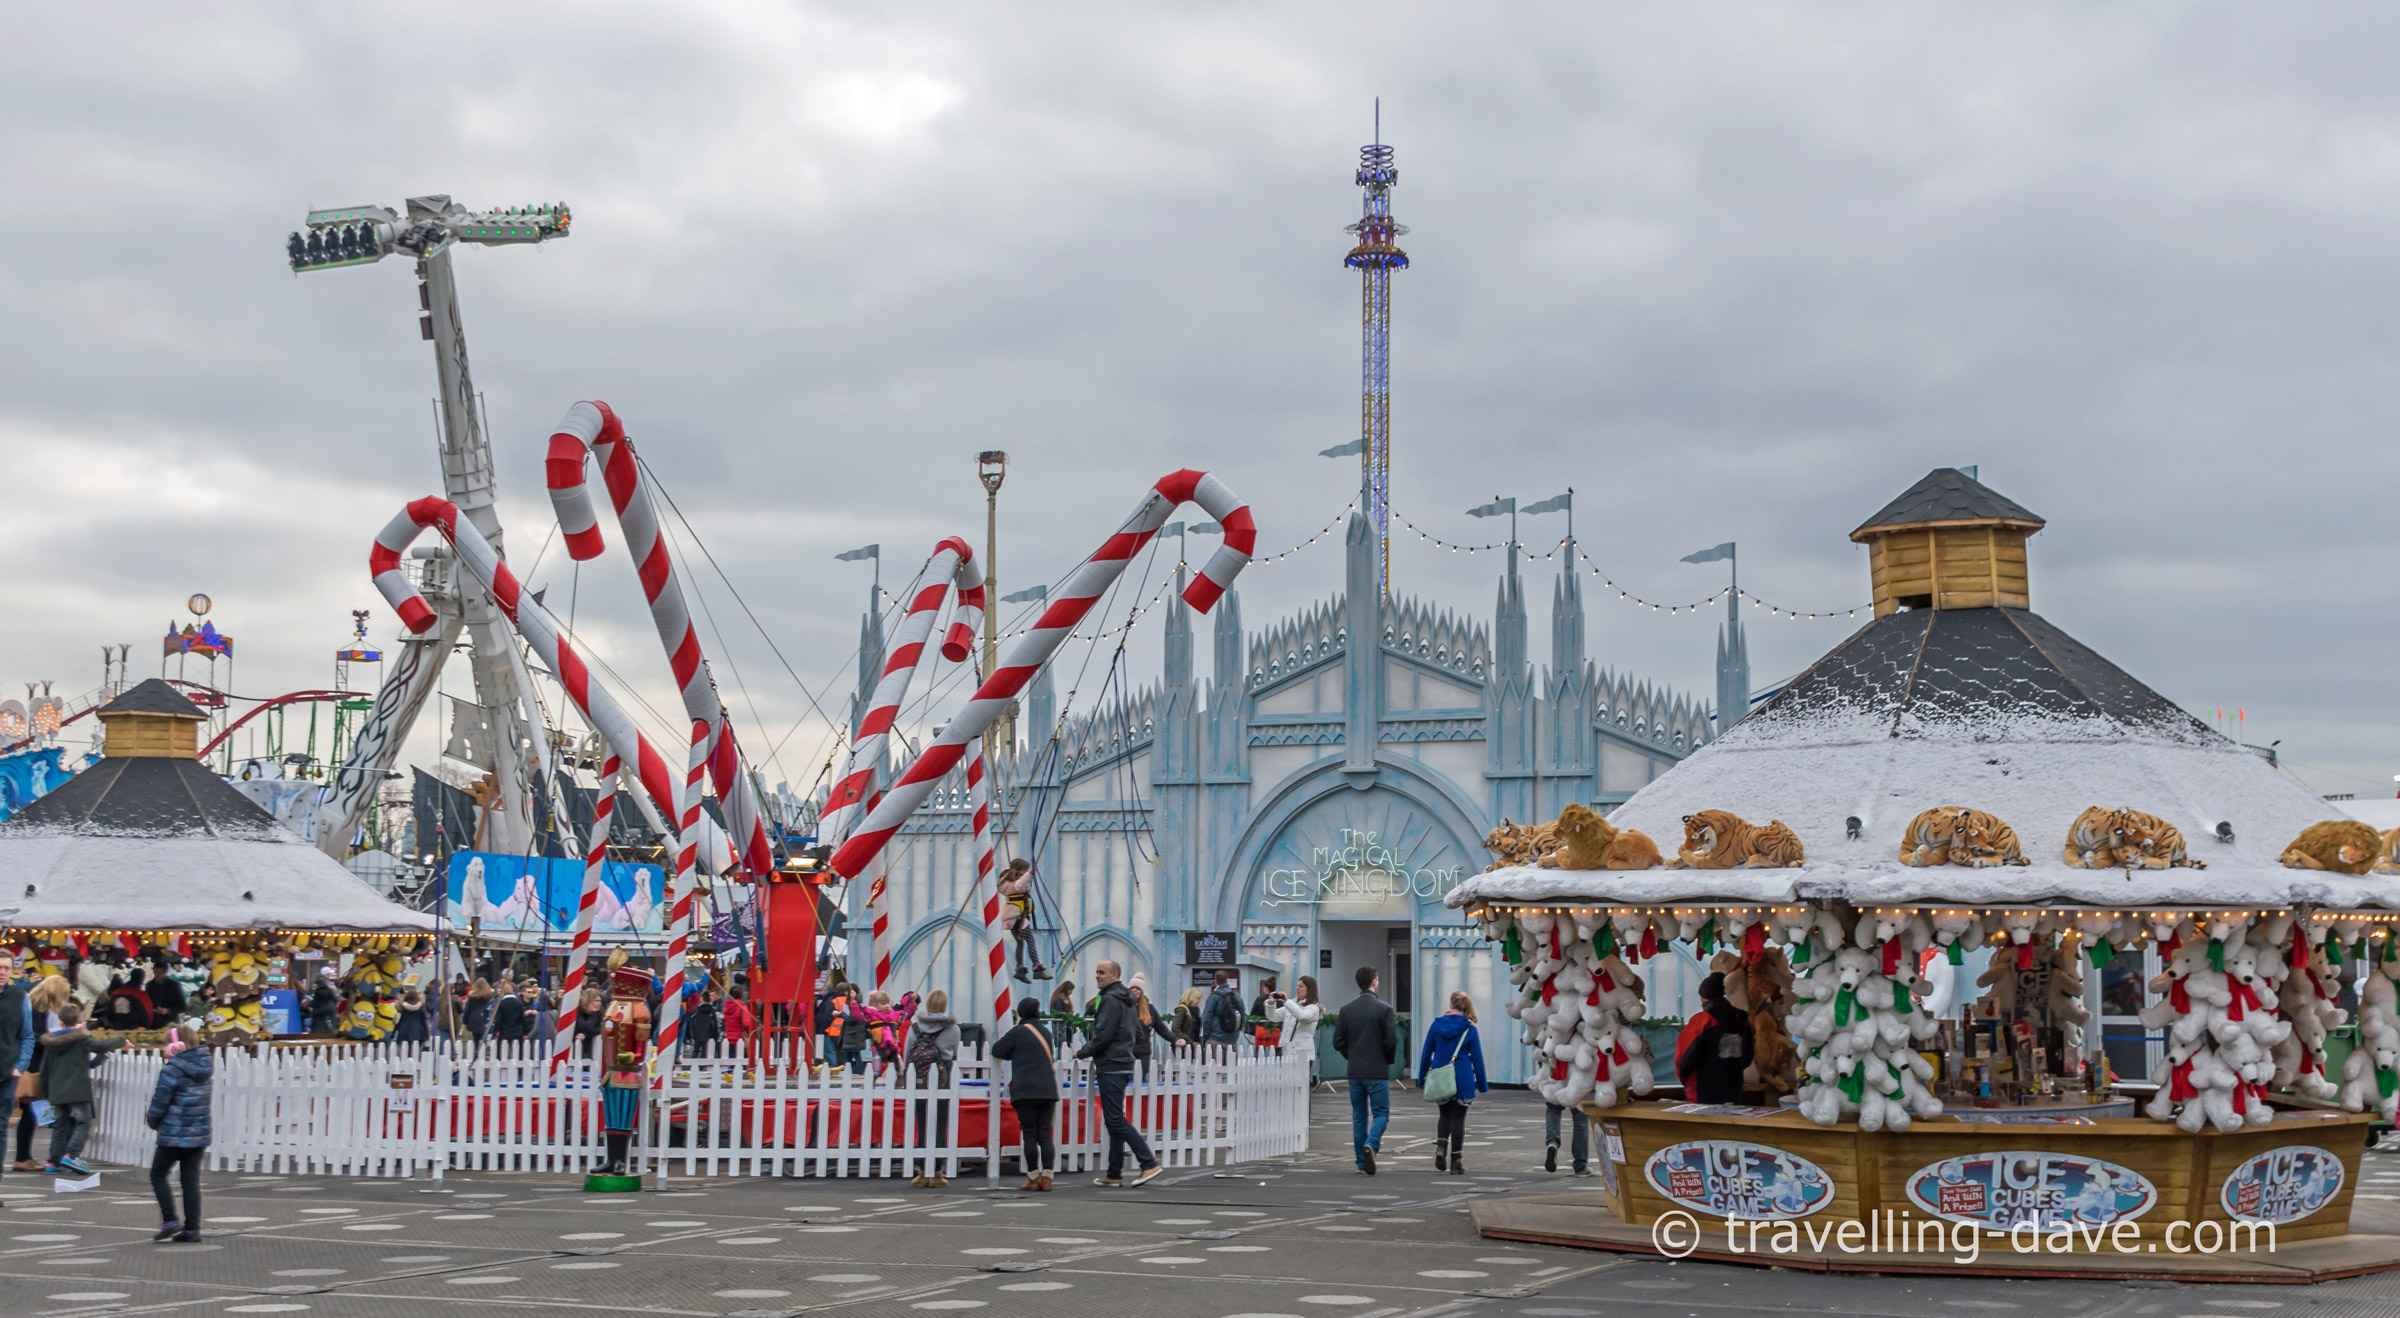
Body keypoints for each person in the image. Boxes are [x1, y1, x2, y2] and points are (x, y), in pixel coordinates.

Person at [1075, 960, 1162, 1187]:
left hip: (1111, 1064)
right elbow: (1136, 1033)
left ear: (1115, 974)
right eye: (1096, 971)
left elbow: (1102, 1034)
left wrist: (1082, 1052)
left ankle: (1148, 1162)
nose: (1097, 976)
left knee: (1115, 1119)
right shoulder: (1127, 1000)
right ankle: (1114, 1173)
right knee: (1113, 1120)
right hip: (1123, 1062)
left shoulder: (1110, 1000)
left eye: (1101, 972)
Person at [39, 1002, 125, 1176]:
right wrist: (122, 1040)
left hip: (57, 1090)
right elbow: (101, 1045)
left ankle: (53, 1161)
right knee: (84, 1122)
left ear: (60, 1021)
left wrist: (46, 1091)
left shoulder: (51, 1043)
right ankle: (71, 1154)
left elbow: (44, 1070)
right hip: (77, 1089)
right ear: (79, 1019)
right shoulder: (81, 1039)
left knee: (60, 1126)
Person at [145, 1023, 212, 1242]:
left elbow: (160, 1100)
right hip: (198, 1133)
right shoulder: (205, 1067)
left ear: (177, 1047)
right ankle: (192, 1229)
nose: (164, 1049)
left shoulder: (173, 1069)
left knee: (158, 1174)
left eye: (166, 1044)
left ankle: (170, 1220)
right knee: (190, 1181)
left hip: (173, 1133)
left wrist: (153, 1121)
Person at [1332, 965, 1398, 1175]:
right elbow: (1391, 1041)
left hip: (1355, 1070)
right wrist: (1386, 1060)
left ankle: (1361, 1161)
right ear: (1374, 981)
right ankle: (1371, 1144)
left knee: (1359, 1116)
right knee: (1381, 1114)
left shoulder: (1347, 1009)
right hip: (1377, 1070)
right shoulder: (1384, 1009)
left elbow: (1338, 1041)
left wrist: (1351, 1056)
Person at [1418, 991, 1489, 1175]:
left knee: (1444, 1115)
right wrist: (1482, 1084)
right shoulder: (1470, 1029)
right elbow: (1478, 1059)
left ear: (1451, 1005)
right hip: (1463, 1079)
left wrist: (1421, 1078)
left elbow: (1426, 1053)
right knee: (1458, 1118)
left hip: (1441, 1077)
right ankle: (1456, 1163)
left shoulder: (1436, 1025)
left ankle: (1441, 1146)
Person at [990, 997, 1057, 1191]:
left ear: (1021, 1013)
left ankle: (1033, 1178)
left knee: (1029, 1135)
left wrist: (1015, 1053)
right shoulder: (1046, 1032)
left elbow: (997, 1050)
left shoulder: (1017, 1032)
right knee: (1044, 1134)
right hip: (1047, 1089)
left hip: (1026, 1090)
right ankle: (1047, 1178)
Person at [905, 989, 961, 1188]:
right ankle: (937, 1171)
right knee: (939, 1123)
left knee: (922, 1123)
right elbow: (953, 1054)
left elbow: (907, 1054)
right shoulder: (953, 1029)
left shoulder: (915, 1027)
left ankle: (921, 1171)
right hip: (942, 1074)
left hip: (919, 1076)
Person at [16, 974, 71, 1171]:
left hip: (36, 1063)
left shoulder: (36, 1007)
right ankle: (22, 1157)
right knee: (31, 1112)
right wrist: (55, 1040)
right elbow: (34, 1037)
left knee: (31, 1114)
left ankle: (25, 1156)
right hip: (33, 1066)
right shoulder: (34, 1009)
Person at [1677, 972, 1755, 1104]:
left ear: (1703, 997)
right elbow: (1747, 1057)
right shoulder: (1743, 1020)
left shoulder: (1702, 1021)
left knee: (1705, 1124)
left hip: (1702, 1090)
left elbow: (1684, 1059)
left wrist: (1685, 1079)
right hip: (1733, 1089)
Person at [0, 952, 28, 1182]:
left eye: (7, 968)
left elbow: (27, 1036)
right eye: (0, 967)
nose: (3, 972)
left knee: (0, 1129)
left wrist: (20, 1065)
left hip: (7, 1073)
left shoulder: (20, 997)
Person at [1274, 976, 1325, 1073]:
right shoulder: (1293, 1005)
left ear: (1309, 990)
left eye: (1301, 986)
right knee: (1285, 1084)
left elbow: (1302, 1016)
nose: (1297, 988)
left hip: (1302, 1053)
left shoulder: (1313, 1008)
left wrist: (1287, 1001)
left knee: (1300, 1085)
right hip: (1285, 1051)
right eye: (1297, 986)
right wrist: (1270, 1003)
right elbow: (1274, 1016)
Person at [1128, 974, 1175, 1065]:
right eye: (1132, 988)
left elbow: (1160, 1028)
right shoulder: (1123, 1007)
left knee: (1141, 1077)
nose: (1134, 990)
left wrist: (1175, 1039)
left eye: (1138, 988)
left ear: (1142, 991)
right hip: (1126, 1052)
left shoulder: (1150, 1009)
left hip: (1143, 1052)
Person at [1544, 1100, 1591, 1176]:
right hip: (1576, 1089)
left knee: (1553, 1109)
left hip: (1555, 1088)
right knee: (1580, 1118)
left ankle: (1552, 1143)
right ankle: (1580, 1166)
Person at [1199, 970, 1244, 1048]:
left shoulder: (1214, 996)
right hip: (1233, 1040)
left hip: (1215, 1039)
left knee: (1214, 1060)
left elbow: (1206, 1019)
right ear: (1227, 981)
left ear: (1215, 981)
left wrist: (1206, 1037)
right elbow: (1242, 1017)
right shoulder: (1237, 997)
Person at [304, 970, 340, 1035]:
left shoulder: (318, 992)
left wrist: (308, 1004)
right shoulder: (329, 990)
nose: (313, 988)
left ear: (318, 985)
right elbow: (335, 1000)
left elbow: (314, 1003)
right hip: (330, 1013)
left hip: (319, 1016)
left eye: (314, 986)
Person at [492, 978, 528, 1042]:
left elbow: (498, 1020)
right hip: (517, 1033)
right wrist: (525, 1032)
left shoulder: (501, 1004)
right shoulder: (519, 1003)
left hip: (504, 1033)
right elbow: (523, 1019)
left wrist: (495, 1033)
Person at [1046, 982, 1079, 1049]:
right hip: (1062, 1028)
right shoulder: (1059, 999)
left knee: (1065, 1046)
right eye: (1070, 990)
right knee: (1063, 1046)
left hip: (1064, 1027)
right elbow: (1060, 1013)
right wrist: (1069, 1017)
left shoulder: (1062, 998)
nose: (1071, 992)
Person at [722, 985, 755, 1051]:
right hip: (739, 1039)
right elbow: (746, 1023)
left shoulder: (726, 1007)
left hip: (728, 1038)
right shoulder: (742, 1007)